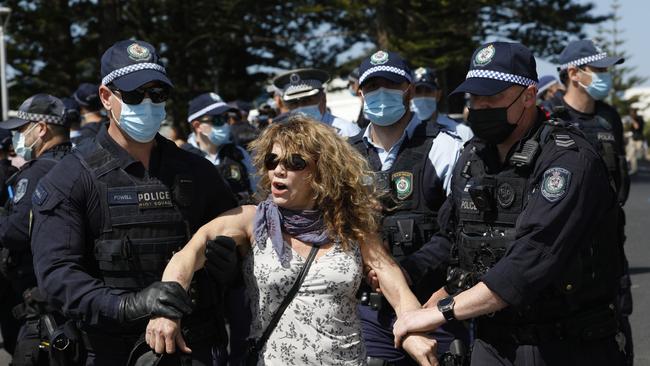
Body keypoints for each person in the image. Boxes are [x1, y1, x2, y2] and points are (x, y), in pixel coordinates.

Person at [393, 42, 625, 366]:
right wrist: (408, 276)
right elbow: (452, 237)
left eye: (493, 96)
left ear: (528, 96)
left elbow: (530, 260)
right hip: (494, 342)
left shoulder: (568, 160)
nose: (481, 107)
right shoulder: (473, 156)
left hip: (568, 345)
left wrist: (443, 312)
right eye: (475, 98)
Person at [145, 116, 440, 366]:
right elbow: (189, 253)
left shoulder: (351, 224)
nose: (279, 169)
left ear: (322, 171)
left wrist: (411, 327)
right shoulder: (252, 220)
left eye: (295, 161)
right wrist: (166, 309)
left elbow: (393, 282)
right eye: (273, 160)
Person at [30, 39, 239, 366]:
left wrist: (231, 264)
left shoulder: (197, 172)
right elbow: (57, 276)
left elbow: (241, 229)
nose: (147, 104)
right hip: (116, 350)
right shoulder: (71, 178)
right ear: (105, 97)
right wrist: (127, 305)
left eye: (157, 95)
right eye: (133, 95)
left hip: (196, 348)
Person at [349, 51, 466, 365]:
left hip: (435, 305)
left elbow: (459, 230)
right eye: (372, 86)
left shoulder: (444, 147)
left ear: (409, 90)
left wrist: (409, 270)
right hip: (369, 310)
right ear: (359, 92)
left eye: (391, 83)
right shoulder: (345, 156)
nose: (381, 92)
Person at [549, 39, 633, 364]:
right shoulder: (549, 117)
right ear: (574, 73)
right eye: (598, 70)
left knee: (617, 336)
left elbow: (620, 177)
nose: (606, 76)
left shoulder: (609, 117)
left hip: (610, 248)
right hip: (565, 252)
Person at [0, 94, 73, 365]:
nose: (19, 138)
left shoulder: (36, 172)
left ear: (40, 128)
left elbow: (15, 231)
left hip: (41, 301)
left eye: (21, 130)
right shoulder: (82, 162)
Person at [185, 92, 256, 204]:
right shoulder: (182, 158)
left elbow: (257, 192)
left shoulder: (239, 154)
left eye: (226, 118)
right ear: (197, 126)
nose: (225, 124)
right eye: (218, 120)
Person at [272, 68, 361, 137]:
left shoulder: (346, 131)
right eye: (293, 102)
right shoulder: (284, 135)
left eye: (306, 100)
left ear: (323, 98)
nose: (300, 106)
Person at [410, 66, 474, 143]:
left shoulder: (462, 132)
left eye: (428, 91)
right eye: (418, 91)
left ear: (438, 95)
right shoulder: (401, 131)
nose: (423, 96)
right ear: (410, 94)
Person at [627, 108, 645, 175]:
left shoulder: (639, 119)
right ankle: (634, 169)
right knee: (632, 154)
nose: (631, 115)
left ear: (635, 113)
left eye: (632, 113)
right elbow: (632, 129)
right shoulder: (632, 120)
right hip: (633, 138)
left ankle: (634, 168)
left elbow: (637, 127)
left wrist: (633, 120)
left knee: (640, 155)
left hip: (639, 139)